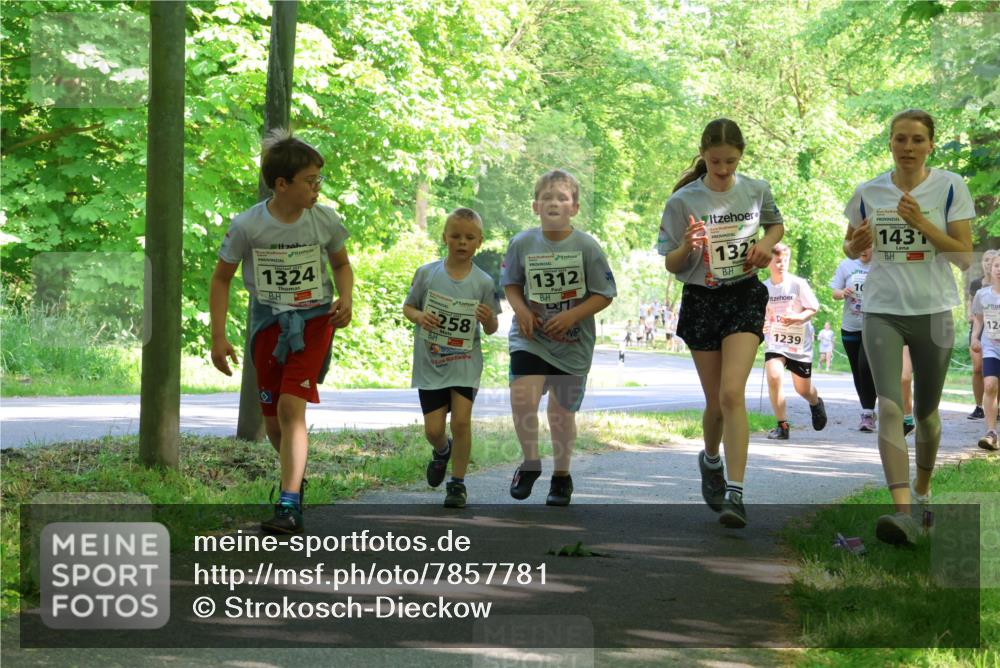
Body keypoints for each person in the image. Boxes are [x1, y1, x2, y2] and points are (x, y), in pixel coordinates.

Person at [210, 129, 354, 535]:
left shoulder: (324, 219)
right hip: (268, 325)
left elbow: (341, 265)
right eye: (310, 181)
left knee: (293, 408)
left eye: (319, 180)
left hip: (313, 323)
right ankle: (296, 475)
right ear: (282, 184)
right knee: (273, 423)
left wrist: (346, 297)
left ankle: (289, 503)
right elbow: (221, 279)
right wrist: (217, 337)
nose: (317, 188)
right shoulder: (247, 225)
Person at [843, 109, 975, 546]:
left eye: (917, 140)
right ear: (891, 143)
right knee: (889, 406)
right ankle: (901, 513)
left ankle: (922, 490)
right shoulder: (869, 190)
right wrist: (855, 243)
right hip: (882, 309)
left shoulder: (951, 187)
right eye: (900, 139)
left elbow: (963, 256)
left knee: (927, 413)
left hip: (934, 310)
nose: (908, 147)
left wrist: (920, 222)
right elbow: (850, 242)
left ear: (930, 145)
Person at [658, 118, 784, 528]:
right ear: (703, 154)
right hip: (701, 299)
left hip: (744, 294)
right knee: (715, 402)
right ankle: (710, 459)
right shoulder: (683, 200)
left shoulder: (755, 189)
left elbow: (776, 225)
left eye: (731, 161)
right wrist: (686, 246)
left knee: (733, 394)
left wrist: (765, 246)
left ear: (741, 157)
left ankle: (736, 492)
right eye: (716, 162)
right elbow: (671, 263)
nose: (724, 169)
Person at [503, 169, 616, 506]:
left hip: (572, 342)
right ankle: (531, 462)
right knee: (522, 397)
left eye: (562, 198)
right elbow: (511, 283)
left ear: (575, 208)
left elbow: (605, 293)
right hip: (531, 336)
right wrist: (521, 310)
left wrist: (571, 315)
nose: (554, 203)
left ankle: (562, 476)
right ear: (536, 206)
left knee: (560, 414)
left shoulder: (587, 247)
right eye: (547, 197)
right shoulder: (522, 242)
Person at [403, 208, 500, 508]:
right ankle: (442, 450)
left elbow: (493, 326)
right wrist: (420, 316)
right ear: (444, 237)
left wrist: (487, 320)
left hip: (464, 363)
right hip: (431, 363)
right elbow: (408, 308)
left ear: (479, 242)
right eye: (455, 236)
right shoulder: (427, 273)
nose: (462, 242)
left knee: (461, 422)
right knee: (433, 430)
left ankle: (457, 484)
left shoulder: (484, 282)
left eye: (469, 238)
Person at [762, 243, 828, 440]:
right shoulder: (763, 288)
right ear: (768, 262)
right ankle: (782, 426)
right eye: (778, 260)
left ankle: (816, 402)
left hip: (799, 344)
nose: (782, 264)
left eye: (786, 260)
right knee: (774, 376)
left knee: (803, 389)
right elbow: (762, 316)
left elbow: (813, 308)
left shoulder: (798, 284)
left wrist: (799, 318)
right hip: (775, 341)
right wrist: (762, 326)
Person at [831, 247, 877, 431]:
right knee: (858, 371)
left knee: (865, 366)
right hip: (850, 326)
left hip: (873, 325)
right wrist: (843, 293)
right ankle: (868, 411)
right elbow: (834, 292)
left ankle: (867, 413)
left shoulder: (881, 265)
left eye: (868, 246)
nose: (864, 250)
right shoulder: (846, 265)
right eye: (861, 245)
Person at [971, 256, 1000, 450]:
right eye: (997, 265)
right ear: (991, 268)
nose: (999, 269)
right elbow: (979, 319)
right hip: (991, 346)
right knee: (989, 384)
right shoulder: (982, 294)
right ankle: (991, 433)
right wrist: (974, 337)